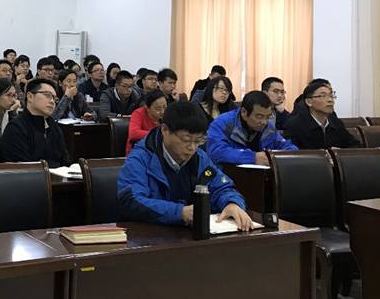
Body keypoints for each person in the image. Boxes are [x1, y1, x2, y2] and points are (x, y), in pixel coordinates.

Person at [116, 101, 252, 230]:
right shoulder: (140, 159)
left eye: (198, 141)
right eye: (186, 140)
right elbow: (131, 202)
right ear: (165, 130)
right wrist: (180, 213)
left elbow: (222, 186)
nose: (192, 148)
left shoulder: (199, 158)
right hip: (150, 237)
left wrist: (232, 203)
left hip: (189, 237)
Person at [207, 91, 298, 166]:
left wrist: (281, 156)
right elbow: (216, 152)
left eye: (268, 117)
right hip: (228, 175)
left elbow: (288, 147)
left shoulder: (268, 127)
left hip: (261, 177)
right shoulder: (223, 123)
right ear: (244, 112)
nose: (264, 122)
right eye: (259, 116)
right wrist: (252, 157)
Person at [1, 78, 70, 168]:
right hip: (31, 175)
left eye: (54, 98)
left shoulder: (53, 126)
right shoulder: (16, 128)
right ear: (30, 97)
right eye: (48, 95)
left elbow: (65, 161)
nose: (52, 101)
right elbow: (21, 167)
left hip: (57, 175)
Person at [283, 80, 359, 149]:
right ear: (309, 102)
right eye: (323, 96)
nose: (330, 100)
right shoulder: (294, 125)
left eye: (331, 96)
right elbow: (292, 153)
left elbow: (356, 146)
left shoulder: (336, 123)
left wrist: (339, 153)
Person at [126, 90, 167, 155]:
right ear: (147, 108)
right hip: (138, 152)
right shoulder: (138, 113)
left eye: (165, 107)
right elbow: (133, 133)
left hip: (158, 152)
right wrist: (158, 134)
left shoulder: (167, 115)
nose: (162, 112)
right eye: (158, 109)